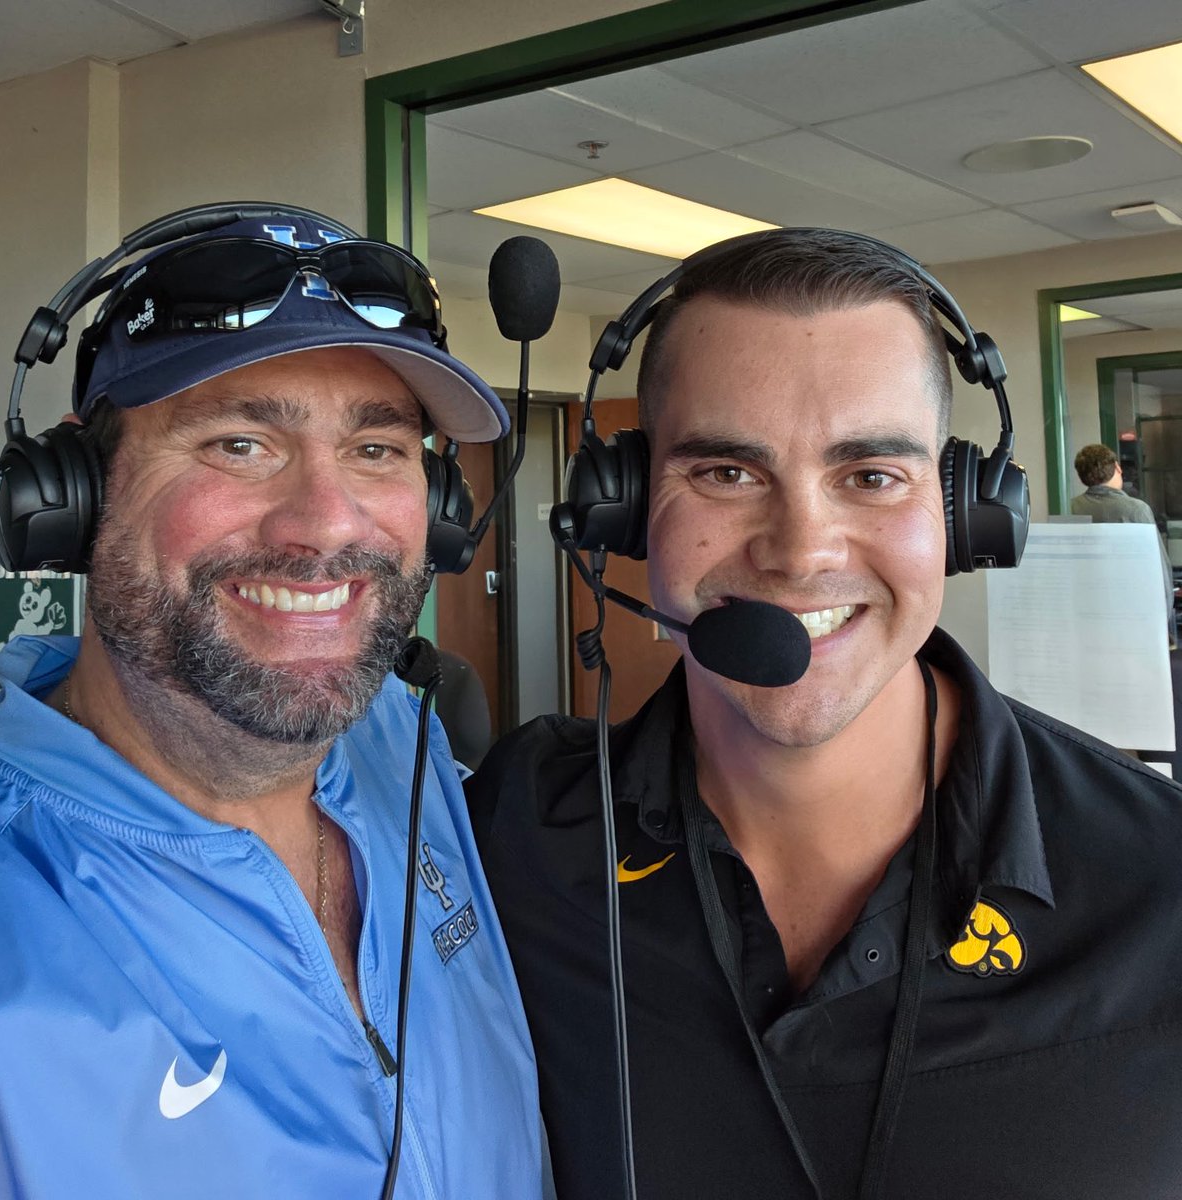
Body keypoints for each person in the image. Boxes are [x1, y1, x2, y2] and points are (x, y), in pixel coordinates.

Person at [468, 231, 1182, 1200]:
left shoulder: (1160, 887)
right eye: (726, 472)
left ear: (965, 514)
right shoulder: (513, 846)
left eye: (871, 476)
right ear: (627, 510)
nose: (800, 554)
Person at [0, 207, 548, 1199]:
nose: (325, 525)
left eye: (378, 450)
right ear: (72, 494)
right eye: (239, 444)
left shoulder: (401, 744)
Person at [1071, 441, 1177, 646]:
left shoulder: (1071, 506)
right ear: (1117, 468)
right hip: (1133, 614)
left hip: (1089, 612)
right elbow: (1158, 570)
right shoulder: (1135, 509)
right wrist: (1163, 619)